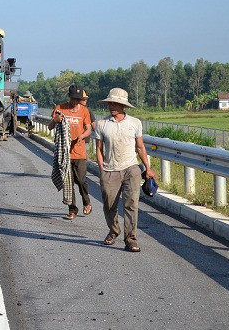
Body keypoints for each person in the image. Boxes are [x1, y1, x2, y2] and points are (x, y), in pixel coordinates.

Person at [93, 88, 156, 252]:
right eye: (110, 103)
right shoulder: (102, 124)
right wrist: (102, 169)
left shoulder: (135, 123)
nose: (112, 106)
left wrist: (148, 168)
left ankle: (131, 239)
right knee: (108, 205)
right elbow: (98, 149)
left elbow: (140, 147)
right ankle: (114, 230)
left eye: (116, 103)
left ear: (123, 106)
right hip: (110, 169)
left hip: (131, 169)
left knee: (131, 204)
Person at [49, 84, 92, 220]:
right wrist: (55, 121)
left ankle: (87, 202)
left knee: (81, 180)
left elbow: (89, 129)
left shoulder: (84, 111)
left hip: (79, 152)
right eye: (73, 99)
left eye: (78, 100)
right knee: (68, 182)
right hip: (65, 152)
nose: (75, 102)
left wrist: (82, 136)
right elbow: (50, 126)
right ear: (69, 97)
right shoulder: (60, 109)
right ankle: (72, 209)